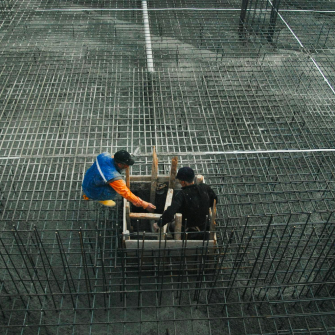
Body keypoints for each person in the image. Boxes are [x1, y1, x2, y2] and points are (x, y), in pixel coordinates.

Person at [153, 167, 217, 238]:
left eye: (180, 180)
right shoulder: (205, 188)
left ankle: (179, 241)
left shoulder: (181, 195)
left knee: (172, 225)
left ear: (183, 182)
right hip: (203, 228)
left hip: (187, 231)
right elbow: (215, 200)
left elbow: (170, 213)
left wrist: (158, 224)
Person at [82, 150, 156, 211]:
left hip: (88, 180)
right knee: (115, 190)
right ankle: (97, 197)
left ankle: (90, 194)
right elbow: (124, 192)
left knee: (118, 183)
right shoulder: (112, 176)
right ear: (120, 164)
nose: (127, 166)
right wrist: (144, 204)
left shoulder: (104, 155)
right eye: (126, 165)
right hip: (92, 190)